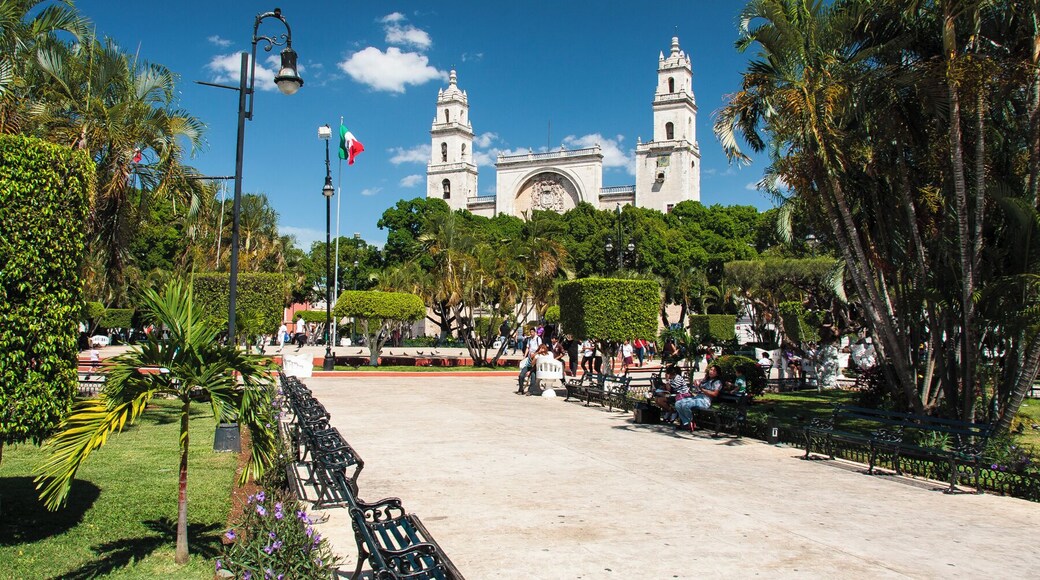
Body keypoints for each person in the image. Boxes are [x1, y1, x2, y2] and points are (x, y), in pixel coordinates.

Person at [674, 365, 723, 431]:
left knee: (686, 405)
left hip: (705, 400)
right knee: (678, 403)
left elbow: (714, 394)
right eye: (711, 370)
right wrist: (696, 383)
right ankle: (686, 422)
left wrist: (703, 390)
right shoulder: (705, 380)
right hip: (697, 397)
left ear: (717, 373)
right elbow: (698, 386)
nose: (711, 372)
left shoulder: (717, 382)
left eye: (714, 371)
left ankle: (690, 423)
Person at [516, 328, 542, 395]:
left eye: (532, 332)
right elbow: (528, 348)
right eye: (530, 332)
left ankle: (530, 391)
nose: (531, 334)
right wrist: (525, 356)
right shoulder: (529, 339)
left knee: (533, 377)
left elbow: (540, 348)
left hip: (535, 360)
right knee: (521, 375)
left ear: (535, 332)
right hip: (529, 360)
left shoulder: (538, 339)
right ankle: (521, 389)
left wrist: (535, 354)